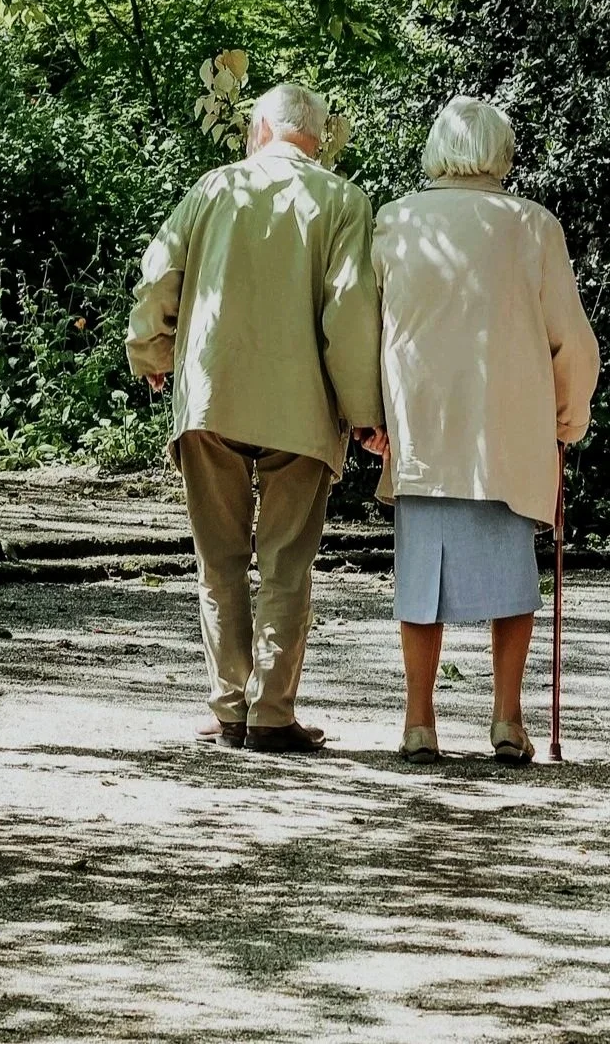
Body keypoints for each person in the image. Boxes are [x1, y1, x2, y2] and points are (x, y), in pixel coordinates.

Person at [127, 83, 387, 754]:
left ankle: (228, 707)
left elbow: (159, 278)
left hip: (212, 396)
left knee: (218, 560)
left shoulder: (211, 188)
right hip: (301, 406)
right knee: (286, 564)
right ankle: (271, 712)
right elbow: (349, 312)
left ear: (261, 128)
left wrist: (152, 351)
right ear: (317, 137)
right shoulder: (342, 200)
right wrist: (363, 413)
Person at [367, 96, 600, 764]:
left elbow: (367, 327)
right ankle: (506, 718)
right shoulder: (530, 226)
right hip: (507, 427)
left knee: (420, 578)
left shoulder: (396, 220)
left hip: (423, 424)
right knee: (511, 578)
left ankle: (418, 720)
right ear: (502, 151)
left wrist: (368, 415)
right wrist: (567, 413)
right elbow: (571, 340)